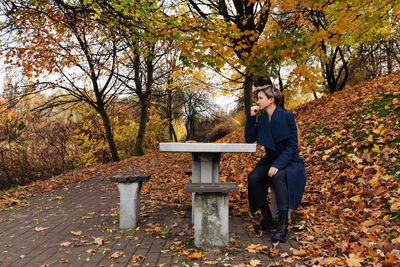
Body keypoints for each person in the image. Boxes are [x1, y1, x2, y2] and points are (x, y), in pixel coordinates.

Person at [245, 84, 306, 242]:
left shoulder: (287, 116)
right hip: (271, 160)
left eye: (260, 98)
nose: (258, 101)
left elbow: (293, 145)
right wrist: (251, 116)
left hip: (290, 161)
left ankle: (283, 227)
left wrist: (278, 165)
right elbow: (249, 138)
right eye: (258, 98)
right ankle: (268, 220)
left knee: (278, 176)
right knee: (253, 177)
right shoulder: (263, 118)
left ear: (271, 100)